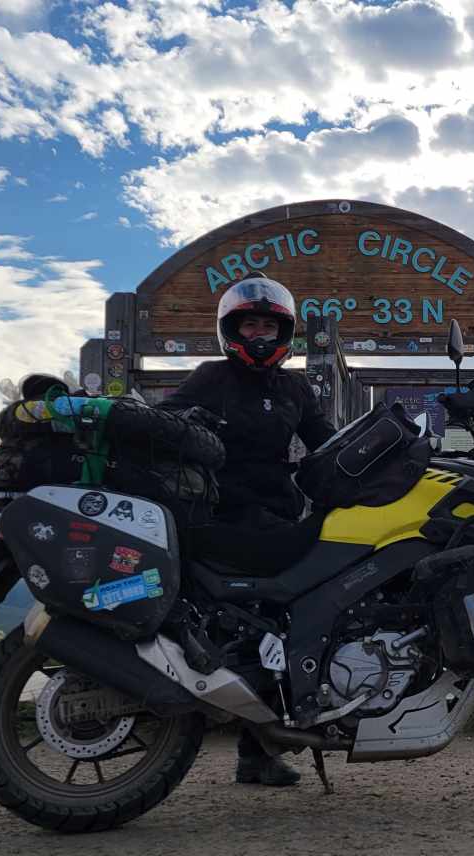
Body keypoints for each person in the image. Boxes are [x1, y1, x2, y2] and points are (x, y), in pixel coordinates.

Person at [160, 273, 335, 787]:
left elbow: (326, 442)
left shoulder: (295, 388)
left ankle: (258, 752)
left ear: (284, 334)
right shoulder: (212, 377)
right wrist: (194, 428)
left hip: (277, 518)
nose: (259, 335)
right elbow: (165, 421)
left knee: (284, 624)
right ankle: (249, 739)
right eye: (250, 325)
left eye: (268, 326)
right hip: (221, 514)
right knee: (254, 627)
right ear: (232, 330)